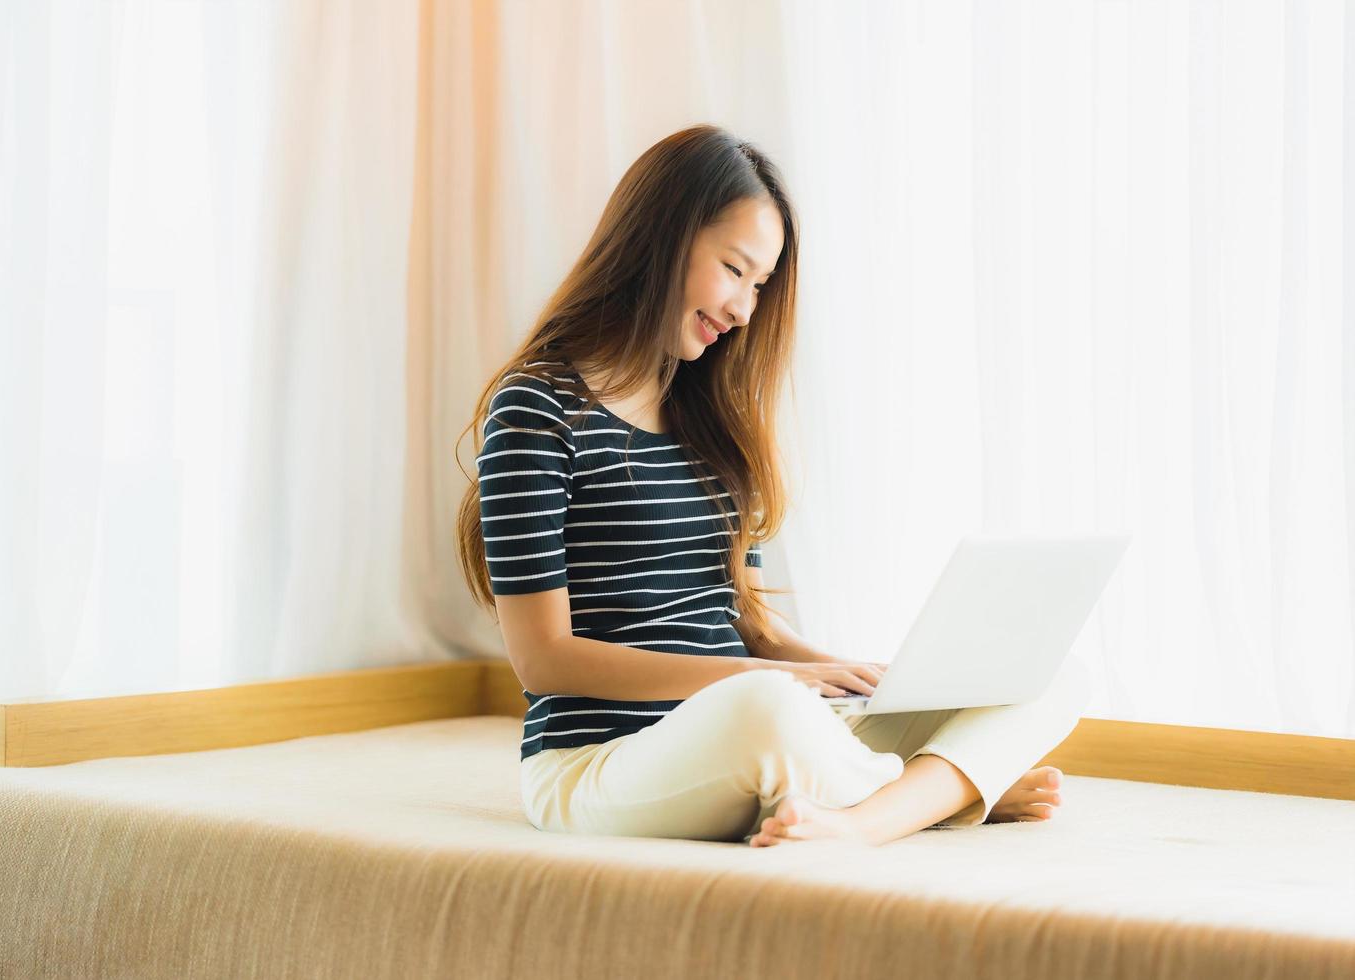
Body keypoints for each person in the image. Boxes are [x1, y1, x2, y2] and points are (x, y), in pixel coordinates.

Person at [454, 124, 1089, 847]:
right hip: (600, 763)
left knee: (1049, 673)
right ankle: (936, 795)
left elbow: (752, 626)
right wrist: (754, 682)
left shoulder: (710, 418)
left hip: (744, 725)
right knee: (765, 705)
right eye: (734, 269)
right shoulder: (537, 405)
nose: (745, 310)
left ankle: (870, 806)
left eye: (759, 286)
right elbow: (544, 659)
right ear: (660, 239)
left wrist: (850, 673)